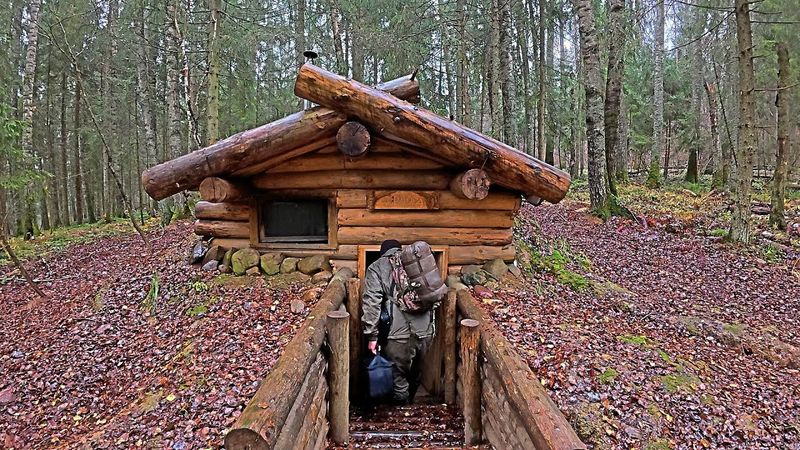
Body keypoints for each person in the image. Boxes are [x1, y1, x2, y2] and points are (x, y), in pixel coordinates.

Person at [361, 239, 435, 404]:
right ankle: (411, 403)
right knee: (416, 373)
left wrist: (372, 336)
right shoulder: (416, 263)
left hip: (397, 333)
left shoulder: (377, 266)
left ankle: (401, 413)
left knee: (398, 376)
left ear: (383, 253)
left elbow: (371, 302)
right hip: (425, 330)